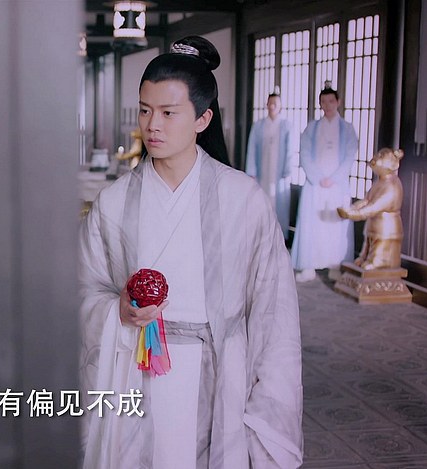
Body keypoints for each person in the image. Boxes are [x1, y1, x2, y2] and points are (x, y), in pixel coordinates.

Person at [79, 36, 302, 469]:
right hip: (135, 372)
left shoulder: (244, 199)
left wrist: (267, 404)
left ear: (202, 118)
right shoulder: (114, 202)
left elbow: (273, 311)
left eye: (168, 113)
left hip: (221, 376)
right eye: (145, 110)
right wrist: (116, 311)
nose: (152, 125)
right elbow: (83, 288)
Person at [291, 83, 358, 282]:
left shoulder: (347, 129)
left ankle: (335, 265)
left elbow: (349, 156)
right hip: (315, 185)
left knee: (335, 226)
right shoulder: (312, 128)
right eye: (323, 102)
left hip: (338, 186)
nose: (327, 105)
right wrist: (318, 177)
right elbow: (304, 154)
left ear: (338, 102)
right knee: (312, 225)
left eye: (331, 101)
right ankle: (308, 266)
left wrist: (334, 178)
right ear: (319, 104)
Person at [245, 90, 297, 240]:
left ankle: (279, 236)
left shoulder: (286, 126)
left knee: (279, 202)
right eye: (270, 103)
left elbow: (290, 150)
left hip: (279, 173)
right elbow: (252, 149)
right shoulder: (259, 126)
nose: (273, 106)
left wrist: (287, 169)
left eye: (276, 103)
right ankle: (261, 235)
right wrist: (251, 171)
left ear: (280, 106)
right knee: (262, 201)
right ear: (266, 104)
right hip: (263, 171)